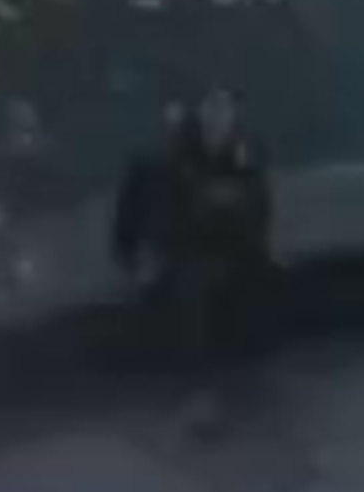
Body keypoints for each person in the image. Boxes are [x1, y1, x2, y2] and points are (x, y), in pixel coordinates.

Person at [110, 86, 275, 368]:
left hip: (233, 242)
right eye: (211, 109)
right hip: (182, 246)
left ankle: (250, 358)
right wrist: (133, 257)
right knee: (190, 291)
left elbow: (260, 203)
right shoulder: (166, 157)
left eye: (225, 110)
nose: (219, 119)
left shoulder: (247, 150)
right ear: (198, 113)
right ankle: (192, 370)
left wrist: (238, 210)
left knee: (256, 284)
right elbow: (142, 209)